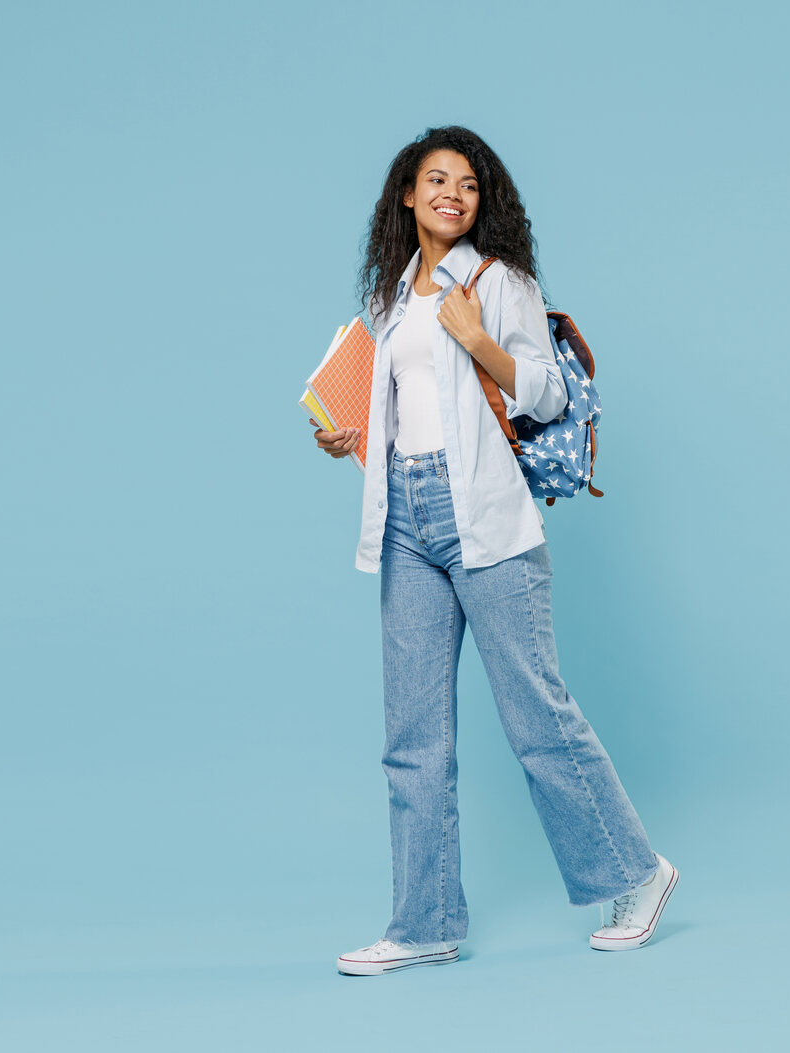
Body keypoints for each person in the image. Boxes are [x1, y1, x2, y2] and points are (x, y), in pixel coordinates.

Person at [310, 125, 677, 976]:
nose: (452, 194)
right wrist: (352, 435)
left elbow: (544, 390)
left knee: (535, 714)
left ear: (481, 202)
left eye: (468, 184)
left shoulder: (499, 281)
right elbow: (411, 415)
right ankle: (425, 922)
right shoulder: (390, 300)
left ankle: (640, 871)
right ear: (407, 194)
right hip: (404, 513)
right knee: (412, 736)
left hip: (485, 517)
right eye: (436, 180)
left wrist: (479, 339)